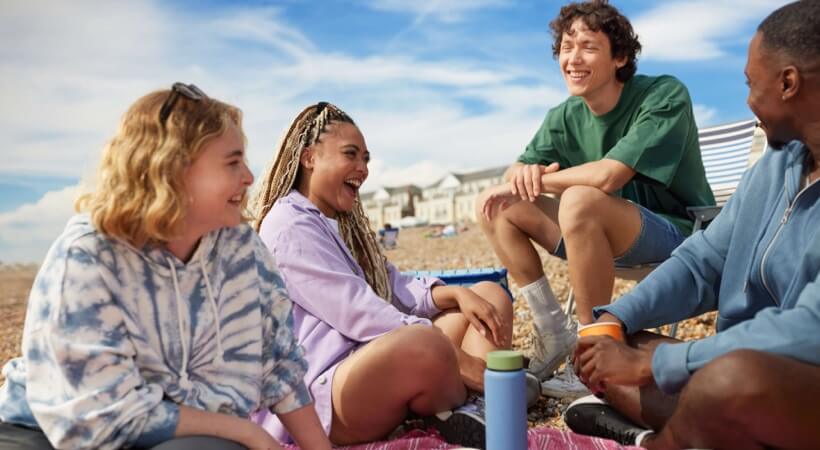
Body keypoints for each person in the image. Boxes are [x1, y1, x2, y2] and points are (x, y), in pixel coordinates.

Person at [0, 83, 331, 450]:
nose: (250, 177)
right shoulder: (90, 255)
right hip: (46, 433)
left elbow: (279, 366)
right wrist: (248, 431)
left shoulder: (242, 250)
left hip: (176, 434)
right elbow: (102, 416)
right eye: (233, 161)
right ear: (172, 169)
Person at [565, 2, 820, 448]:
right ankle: (689, 430)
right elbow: (704, 260)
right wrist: (614, 320)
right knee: (605, 356)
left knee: (723, 383)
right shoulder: (777, 165)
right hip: (737, 366)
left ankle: (662, 438)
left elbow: (808, 329)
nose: (746, 99)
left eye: (750, 83)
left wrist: (662, 364)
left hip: (793, 374)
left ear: (788, 82)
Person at [249, 102, 530, 448]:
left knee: (489, 295)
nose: (363, 168)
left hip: (363, 361)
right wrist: (459, 359)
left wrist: (457, 294)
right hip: (321, 394)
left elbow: (397, 287)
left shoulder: (335, 225)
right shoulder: (287, 225)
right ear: (309, 158)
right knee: (426, 342)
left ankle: (468, 406)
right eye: (351, 155)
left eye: (366, 158)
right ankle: (477, 390)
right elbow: (358, 311)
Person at [475, 0, 715, 397]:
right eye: (566, 48)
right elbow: (514, 174)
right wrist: (521, 174)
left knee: (579, 199)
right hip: (598, 235)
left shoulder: (664, 94)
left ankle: (592, 356)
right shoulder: (564, 116)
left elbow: (608, 175)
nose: (573, 58)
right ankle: (554, 331)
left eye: (587, 46)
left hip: (678, 235)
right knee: (496, 203)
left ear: (619, 56)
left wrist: (545, 180)